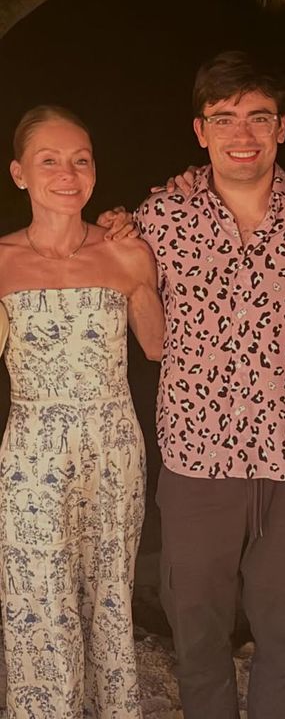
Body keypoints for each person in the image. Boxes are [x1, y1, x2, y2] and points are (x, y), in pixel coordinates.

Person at [103, 51, 285, 719]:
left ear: (282, 128)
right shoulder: (162, 217)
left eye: (259, 117)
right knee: (198, 638)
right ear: (200, 131)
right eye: (225, 118)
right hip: (196, 466)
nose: (243, 134)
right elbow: (137, 317)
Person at [0, 105, 164, 719]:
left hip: (113, 444)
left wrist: (139, 274)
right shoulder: (3, 262)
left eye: (80, 161)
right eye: (50, 160)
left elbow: (155, 346)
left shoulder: (122, 250)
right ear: (20, 174)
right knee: (38, 605)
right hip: (33, 459)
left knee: (109, 601)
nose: (67, 174)